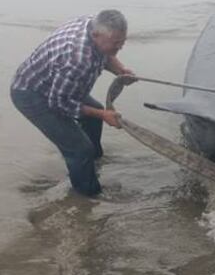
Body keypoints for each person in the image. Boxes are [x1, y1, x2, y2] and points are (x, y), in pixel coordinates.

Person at [10, 10, 135, 196]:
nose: (120, 47)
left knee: (94, 117)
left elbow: (105, 53)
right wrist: (103, 115)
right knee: (79, 149)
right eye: (116, 43)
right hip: (32, 94)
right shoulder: (77, 59)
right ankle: (87, 196)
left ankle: (92, 162)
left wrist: (120, 70)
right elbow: (58, 103)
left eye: (122, 42)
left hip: (60, 84)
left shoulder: (94, 24)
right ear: (95, 35)